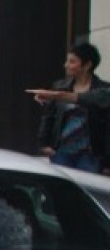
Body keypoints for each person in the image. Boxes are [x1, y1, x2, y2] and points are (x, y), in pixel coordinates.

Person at [28, 42, 110, 175]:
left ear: (87, 65)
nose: (66, 65)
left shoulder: (103, 90)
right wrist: (43, 144)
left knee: (86, 190)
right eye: (67, 61)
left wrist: (107, 161)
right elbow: (49, 117)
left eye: (72, 62)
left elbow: (107, 128)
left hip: (90, 155)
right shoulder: (60, 86)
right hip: (62, 151)